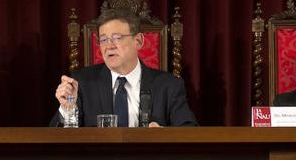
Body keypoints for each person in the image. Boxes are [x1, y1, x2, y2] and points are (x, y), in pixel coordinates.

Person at [50, 9, 197, 127]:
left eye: (117, 38)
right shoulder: (81, 83)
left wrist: (163, 136)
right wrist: (68, 108)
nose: (109, 46)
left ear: (138, 41)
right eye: (103, 40)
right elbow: (56, 140)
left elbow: (189, 131)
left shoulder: (169, 85)